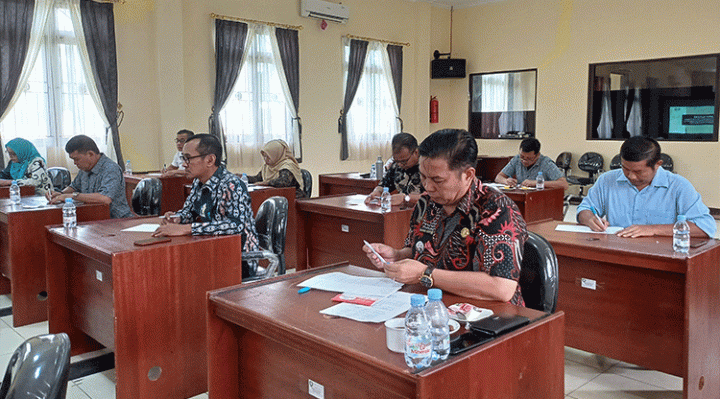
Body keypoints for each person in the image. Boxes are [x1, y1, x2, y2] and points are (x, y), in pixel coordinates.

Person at [363, 129, 528, 305]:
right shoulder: (426, 203)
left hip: (487, 313)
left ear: (468, 175)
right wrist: (397, 256)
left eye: (437, 180)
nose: (428, 186)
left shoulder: (496, 210)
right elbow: (419, 250)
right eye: (423, 177)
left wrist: (425, 274)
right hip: (433, 303)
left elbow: (501, 288)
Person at [577, 136, 715, 238]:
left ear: (657, 164)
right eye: (625, 168)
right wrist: (590, 219)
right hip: (617, 251)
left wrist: (652, 229)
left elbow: (705, 226)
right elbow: (584, 209)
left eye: (638, 172)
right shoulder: (607, 180)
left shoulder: (678, 186)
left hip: (661, 256)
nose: (630, 176)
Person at [153, 133, 259, 243]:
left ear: (210, 160)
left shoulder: (231, 185)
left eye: (188, 158)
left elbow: (236, 225)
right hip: (212, 244)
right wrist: (177, 218)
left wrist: (187, 228)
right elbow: (190, 212)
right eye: (183, 158)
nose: (184, 164)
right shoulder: (198, 182)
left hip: (237, 251)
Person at [47, 135, 132, 219]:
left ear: (90, 154)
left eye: (77, 159)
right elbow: (74, 187)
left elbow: (105, 198)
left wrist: (71, 196)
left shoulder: (111, 169)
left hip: (117, 221)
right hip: (93, 218)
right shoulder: (85, 169)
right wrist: (60, 194)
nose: (75, 163)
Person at [365, 133, 424, 206]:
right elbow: (384, 184)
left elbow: (433, 198)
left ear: (416, 152)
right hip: (403, 211)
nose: (400, 165)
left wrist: (406, 198)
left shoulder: (427, 166)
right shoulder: (396, 166)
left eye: (404, 161)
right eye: (396, 161)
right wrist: (377, 191)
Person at [495, 137, 568, 189]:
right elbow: (498, 177)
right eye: (522, 157)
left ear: (537, 155)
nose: (524, 161)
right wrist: (506, 181)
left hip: (541, 199)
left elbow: (564, 184)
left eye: (529, 158)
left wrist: (536, 183)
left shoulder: (546, 163)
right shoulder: (516, 159)